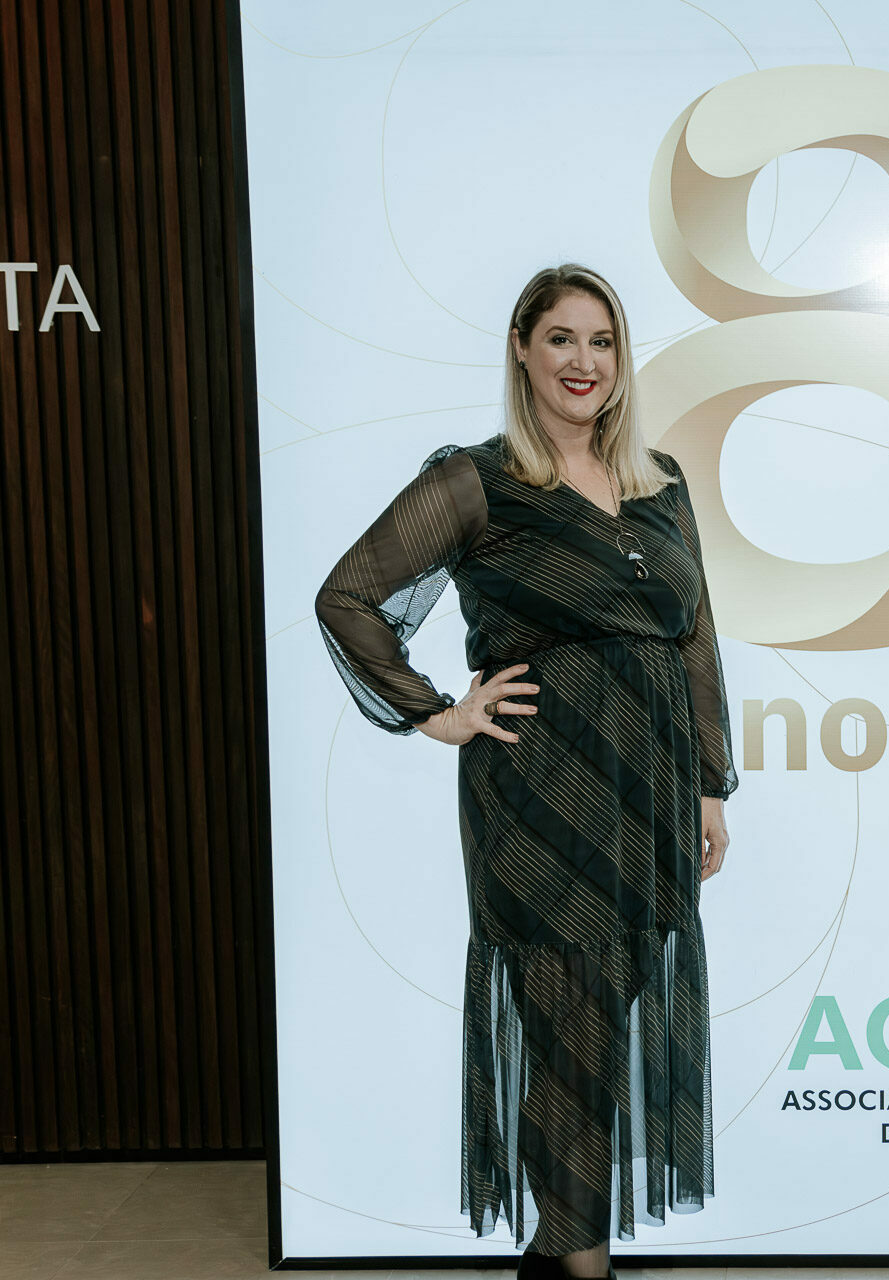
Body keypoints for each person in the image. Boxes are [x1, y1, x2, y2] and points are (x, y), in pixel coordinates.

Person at [316, 264, 737, 1280]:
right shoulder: (477, 480)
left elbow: (694, 637)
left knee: (611, 1012)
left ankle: (556, 1256)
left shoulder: (661, 482)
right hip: (540, 794)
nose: (582, 361)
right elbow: (350, 595)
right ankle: (582, 1265)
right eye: (560, 338)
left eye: (601, 340)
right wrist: (437, 712)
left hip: (647, 791)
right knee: (567, 1027)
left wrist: (709, 783)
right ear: (522, 348)